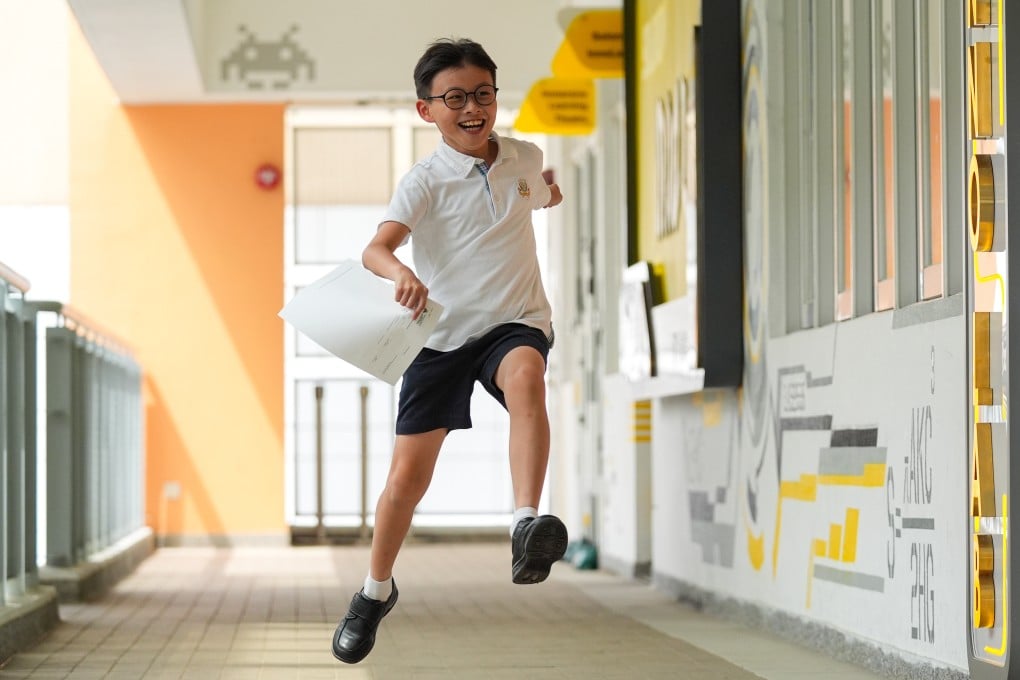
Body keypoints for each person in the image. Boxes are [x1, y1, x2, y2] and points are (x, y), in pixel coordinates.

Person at [331, 37, 567, 665]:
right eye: (454, 99)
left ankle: (525, 524)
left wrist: (548, 194)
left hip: (513, 321)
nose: (471, 109)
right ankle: (374, 591)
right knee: (408, 478)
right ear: (425, 110)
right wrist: (399, 274)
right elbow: (376, 248)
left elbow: (537, 193)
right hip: (441, 336)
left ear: (496, 96)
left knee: (527, 376)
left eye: (482, 95)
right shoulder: (424, 181)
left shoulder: (524, 156)